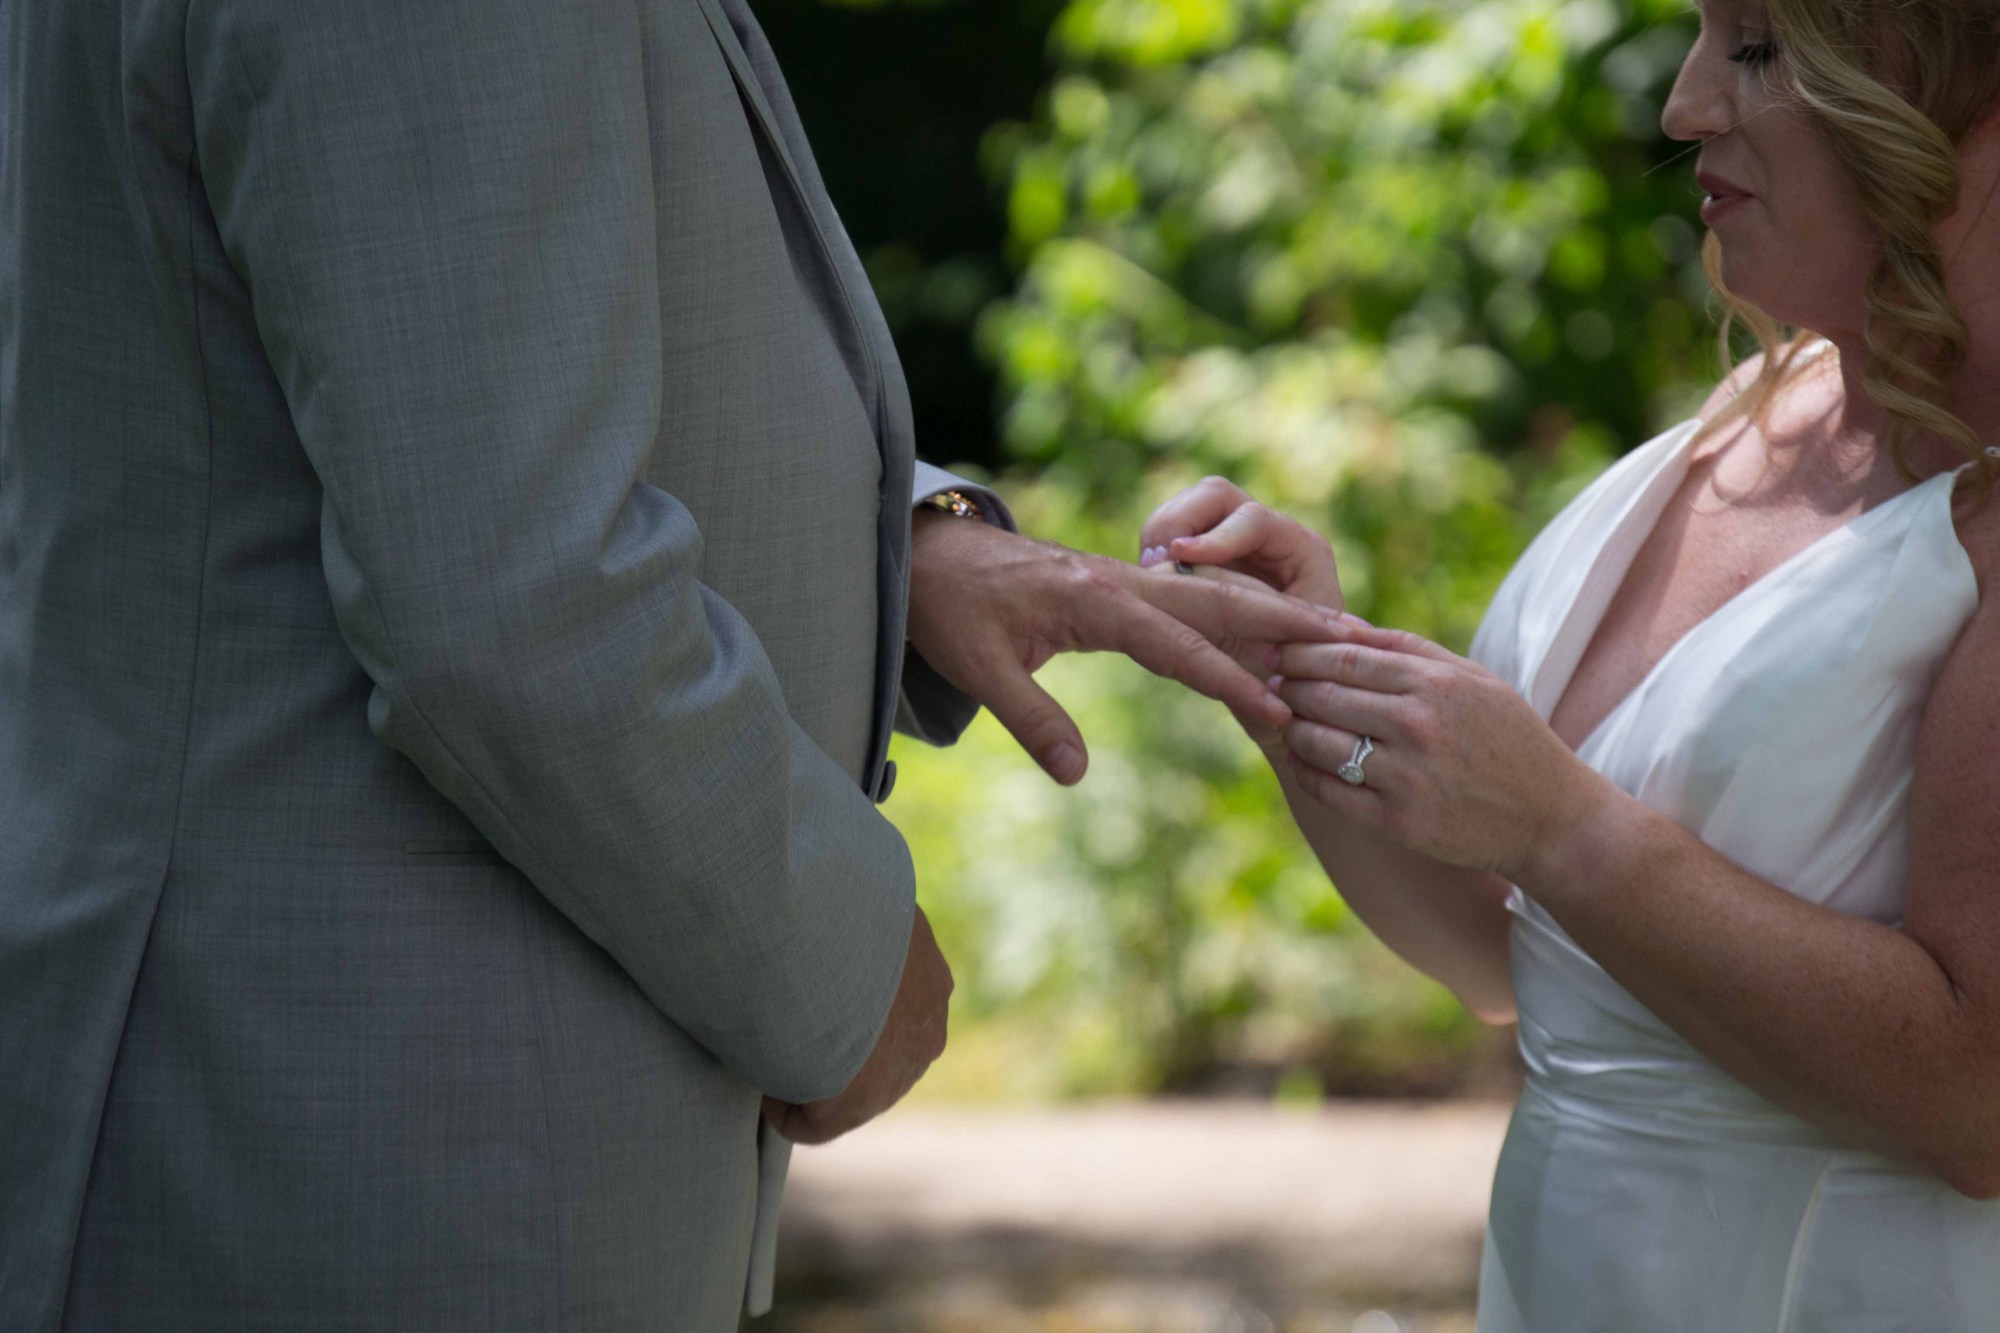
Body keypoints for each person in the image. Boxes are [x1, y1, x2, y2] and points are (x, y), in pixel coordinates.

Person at [0, 0, 1344, 1328]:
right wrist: (840, 963)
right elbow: (514, 605)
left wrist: (916, 537)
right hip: (380, 1155)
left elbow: (415, 392)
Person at [1148, 0, 2000, 1325]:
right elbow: (1513, 967)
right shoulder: (1751, 418)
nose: (1683, 105)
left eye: (1759, 47)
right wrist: (1300, 676)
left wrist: (1562, 821)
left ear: (1957, 82)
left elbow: (1978, 1101)